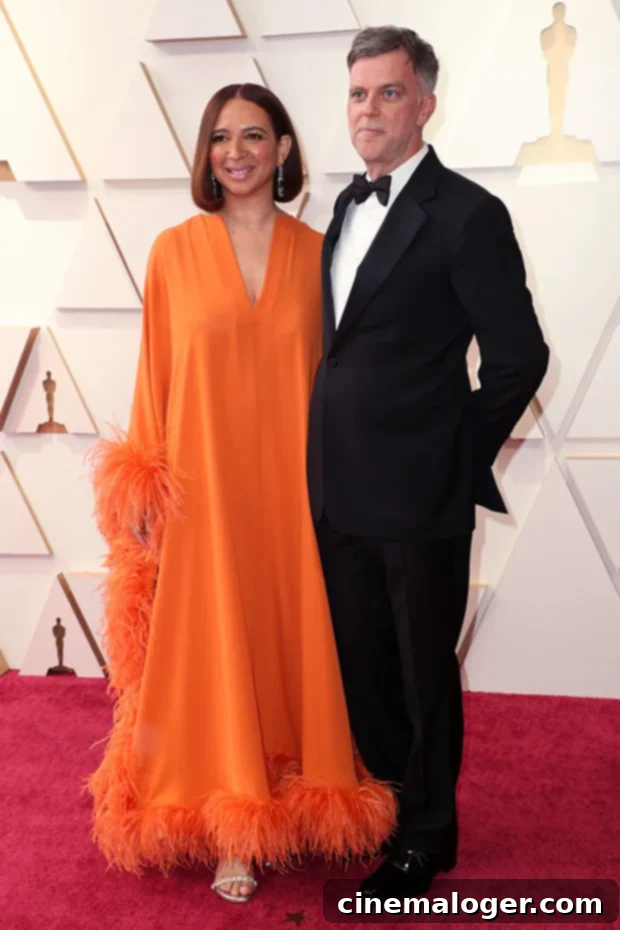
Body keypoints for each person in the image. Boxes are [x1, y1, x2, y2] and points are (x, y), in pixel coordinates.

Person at [87, 82, 395, 905]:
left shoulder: (323, 252)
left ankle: (298, 797)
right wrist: (144, 490)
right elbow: (155, 374)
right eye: (221, 138)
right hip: (205, 494)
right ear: (206, 153)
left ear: (284, 149)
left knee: (294, 639)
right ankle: (233, 823)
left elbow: (349, 379)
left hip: (300, 494)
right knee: (216, 645)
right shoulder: (172, 252)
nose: (237, 152)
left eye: (255, 136)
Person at [307, 26, 550, 901]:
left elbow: (519, 356)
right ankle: (384, 813)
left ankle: (429, 839)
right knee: (362, 662)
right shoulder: (342, 207)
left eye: (388, 93)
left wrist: (453, 451)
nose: (368, 110)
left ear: (426, 105)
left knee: (419, 668)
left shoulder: (468, 214)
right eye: (358, 94)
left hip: (420, 493)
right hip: (336, 486)